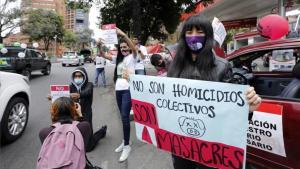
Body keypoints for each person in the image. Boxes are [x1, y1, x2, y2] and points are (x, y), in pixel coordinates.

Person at [167, 14, 262, 169]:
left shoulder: (222, 66)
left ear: (208, 35)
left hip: (212, 143)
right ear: (183, 36)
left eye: (200, 32)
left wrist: (247, 108)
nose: (194, 36)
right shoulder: (174, 66)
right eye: (189, 32)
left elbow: (232, 110)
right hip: (182, 143)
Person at [98, 28, 136, 162]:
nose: (124, 49)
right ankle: (126, 141)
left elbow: (133, 48)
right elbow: (102, 55)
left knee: (125, 117)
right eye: (122, 47)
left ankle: (127, 146)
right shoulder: (117, 58)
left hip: (128, 90)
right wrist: (98, 45)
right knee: (122, 117)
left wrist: (124, 34)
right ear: (119, 49)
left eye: (126, 47)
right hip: (118, 90)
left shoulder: (133, 57)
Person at [39, 97, 92, 169]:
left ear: (53, 112)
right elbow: (84, 146)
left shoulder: (44, 133)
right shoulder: (84, 127)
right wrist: (80, 115)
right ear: (74, 110)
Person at [70, 67, 107, 152]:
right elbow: (63, 95)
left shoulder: (89, 85)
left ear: (84, 76)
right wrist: (54, 96)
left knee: (88, 147)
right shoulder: (71, 86)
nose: (77, 78)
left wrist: (79, 95)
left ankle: (102, 131)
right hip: (74, 114)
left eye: (80, 76)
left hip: (86, 114)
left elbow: (87, 92)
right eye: (76, 76)